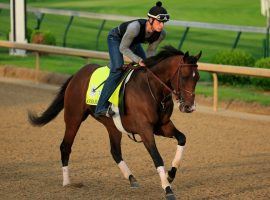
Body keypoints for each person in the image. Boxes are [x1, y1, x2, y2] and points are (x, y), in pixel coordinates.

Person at [94, 1, 170, 117]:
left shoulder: (161, 34)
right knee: (117, 69)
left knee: (146, 69)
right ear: (150, 20)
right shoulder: (134, 27)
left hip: (133, 43)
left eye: (163, 23)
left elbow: (151, 51)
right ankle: (101, 107)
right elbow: (123, 48)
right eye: (159, 22)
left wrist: (150, 64)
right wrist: (138, 60)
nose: (162, 25)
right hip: (116, 40)